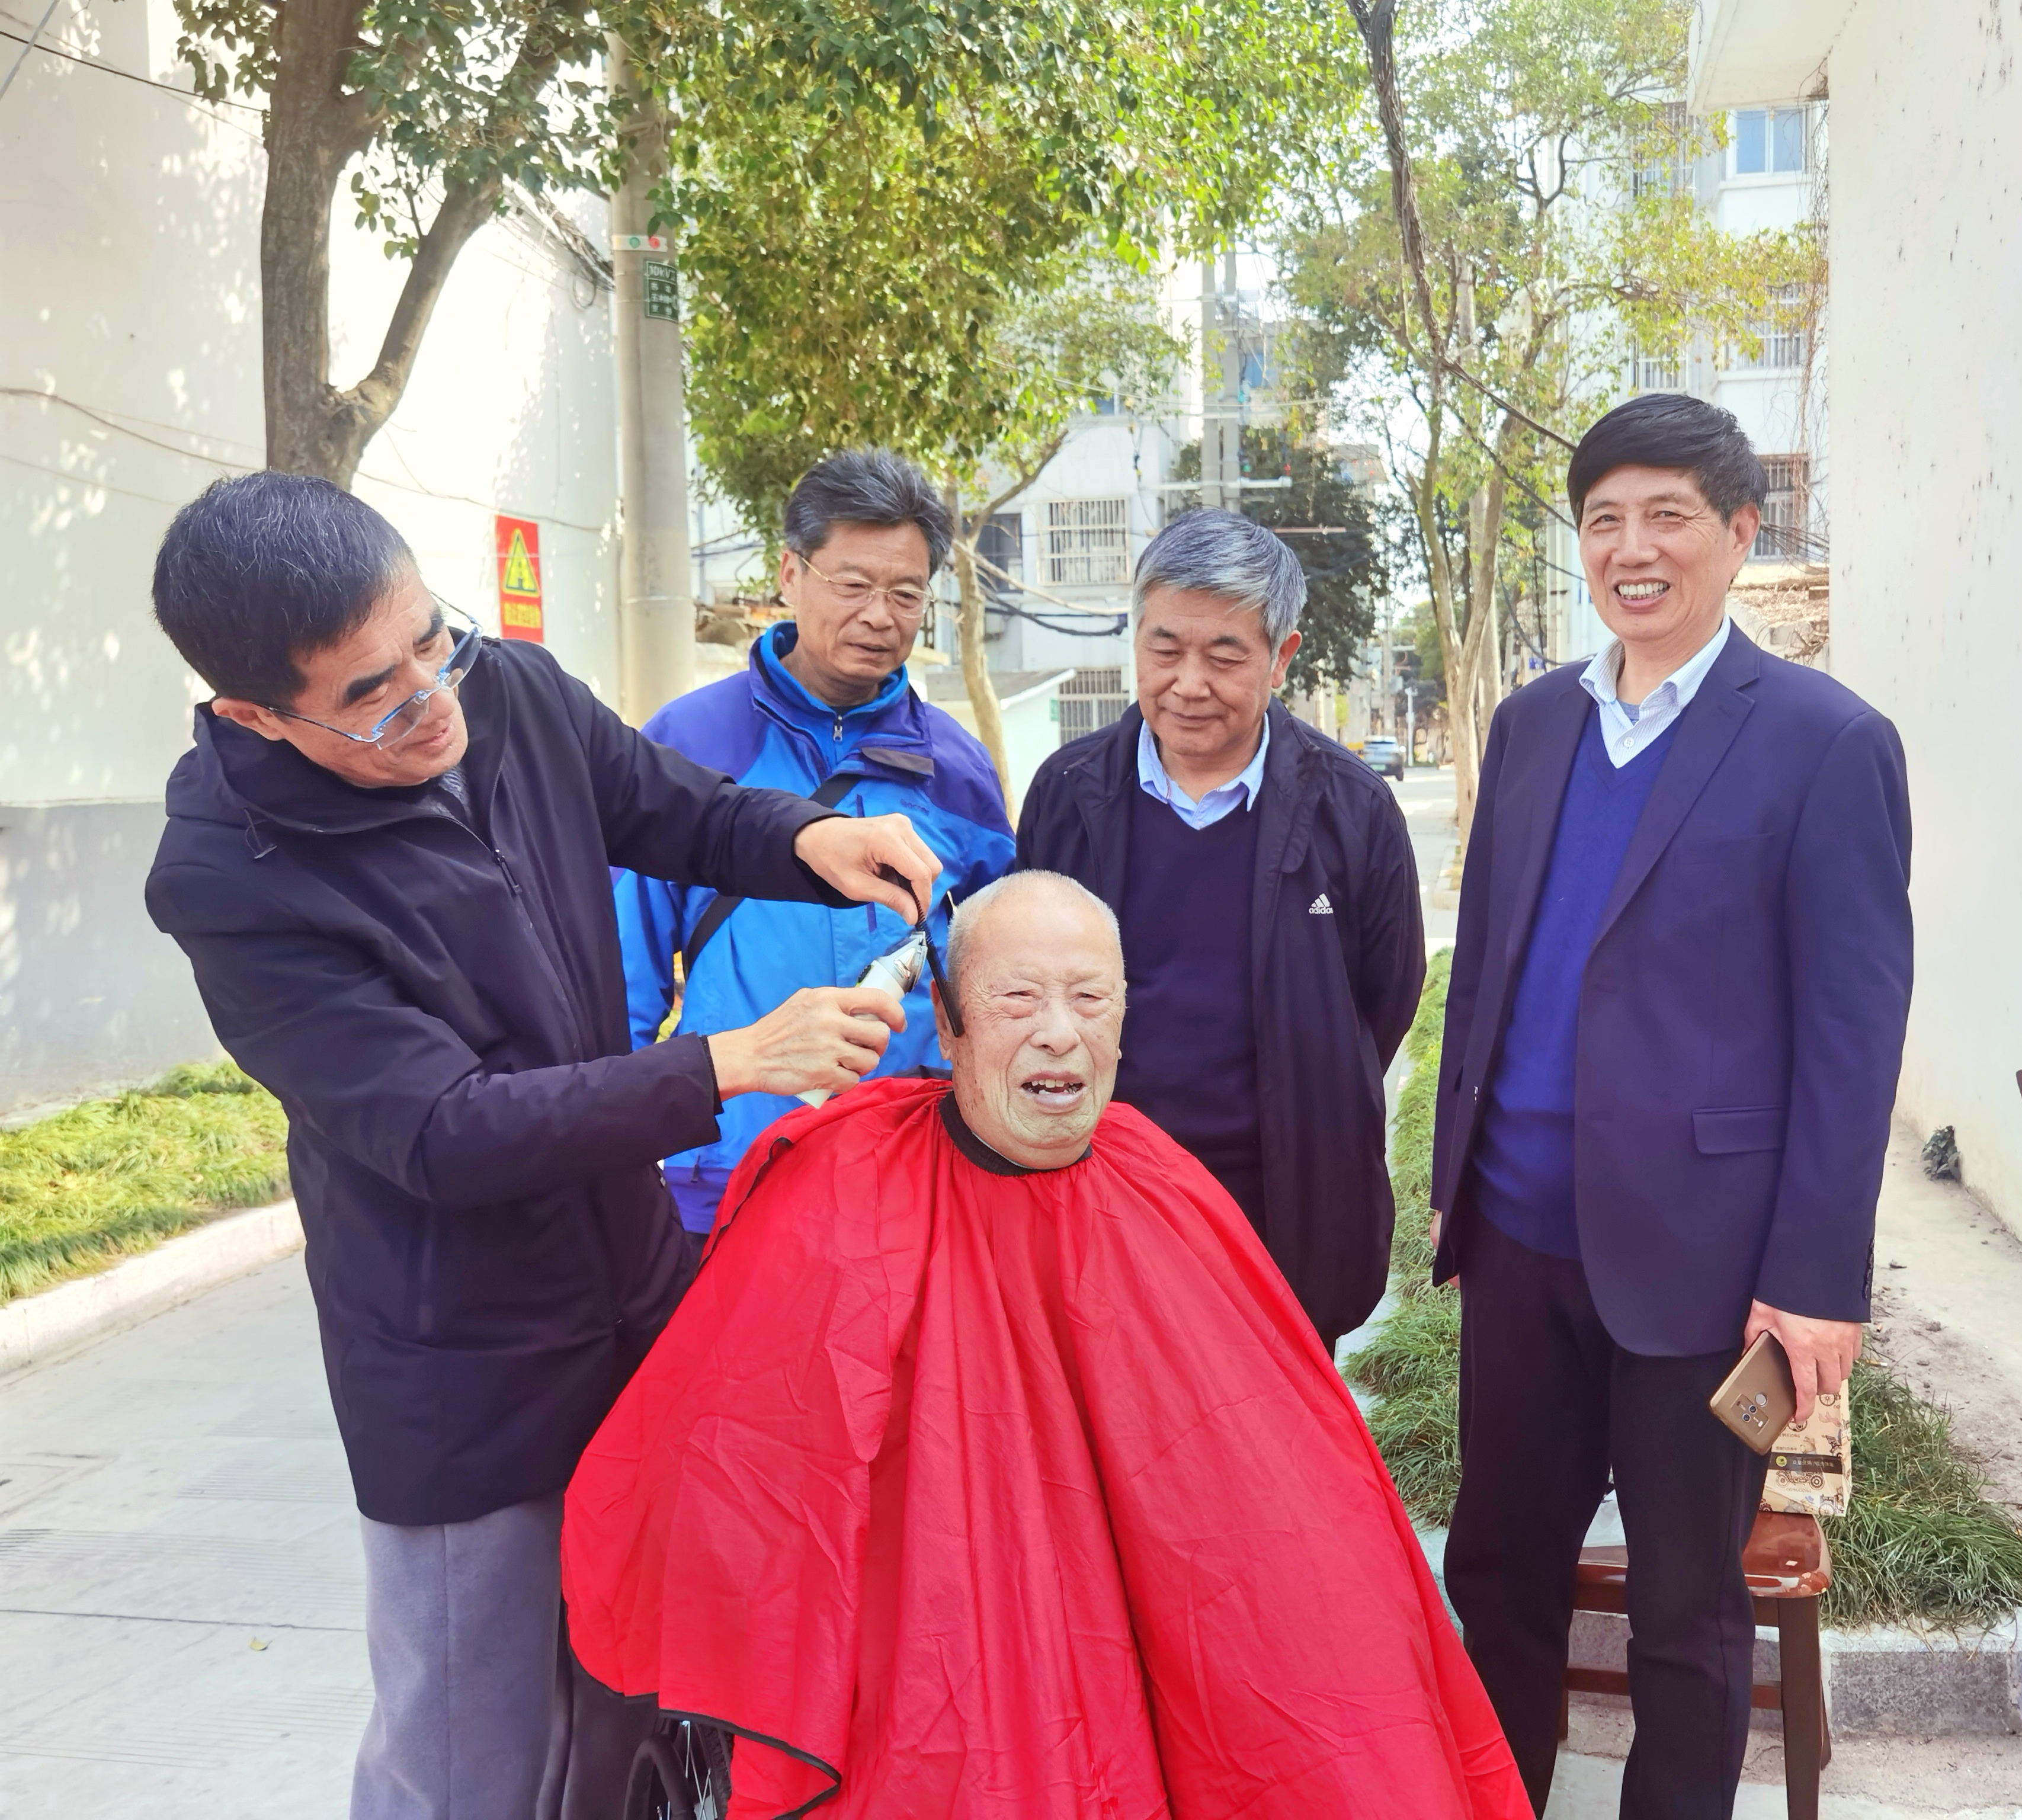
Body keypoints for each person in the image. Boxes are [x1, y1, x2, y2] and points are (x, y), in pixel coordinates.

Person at [141, 472, 941, 1820]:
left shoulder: (503, 690)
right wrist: (726, 1064)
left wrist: (811, 834)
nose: (431, 700)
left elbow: (674, 806)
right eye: (373, 696)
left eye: (431, 640)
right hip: (466, 1367)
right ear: (255, 716)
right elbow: (440, 1130)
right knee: (473, 1751)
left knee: (632, 1707)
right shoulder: (232, 879)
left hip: (634, 1301)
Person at [562, 871, 1528, 1820]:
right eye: (1017, 1000)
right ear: (949, 1027)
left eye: (1090, 1000)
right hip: (932, 1653)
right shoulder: (840, 1190)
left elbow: (1276, 1482)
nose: (1060, 1031)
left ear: (1124, 1022)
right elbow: (744, 1465)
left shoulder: (1167, 1185)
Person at [1430, 395, 1913, 1816]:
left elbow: (1850, 1034)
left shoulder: (1823, 741)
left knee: (1685, 1609)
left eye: (1666, 517)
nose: (1630, 550)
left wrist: (1813, 1280)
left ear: (1738, 533)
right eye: (1602, 521)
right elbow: (1485, 963)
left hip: (1702, 1265)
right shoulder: (1532, 726)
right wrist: (1454, 1184)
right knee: (1497, 1573)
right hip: (1517, 1240)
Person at [1015, 510, 1425, 1354]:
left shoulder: (1353, 810)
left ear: (1282, 657)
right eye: (1164, 650)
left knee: (1273, 1422)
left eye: (1225, 656)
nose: (1188, 684)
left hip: (1282, 1215)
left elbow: (1384, 999)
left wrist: (1309, 1081)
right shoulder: (1067, 794)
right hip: (1103, 1203)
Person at [617, 450, 1013, 1247]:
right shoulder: (684, 745)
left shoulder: (959, 772)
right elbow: (621, 977)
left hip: (914, 1178)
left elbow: (991, 980)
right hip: (727, 1174)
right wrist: (611, 1159)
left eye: (906, 594)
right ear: (790, 573)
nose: (880, 616)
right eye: (853, 584)